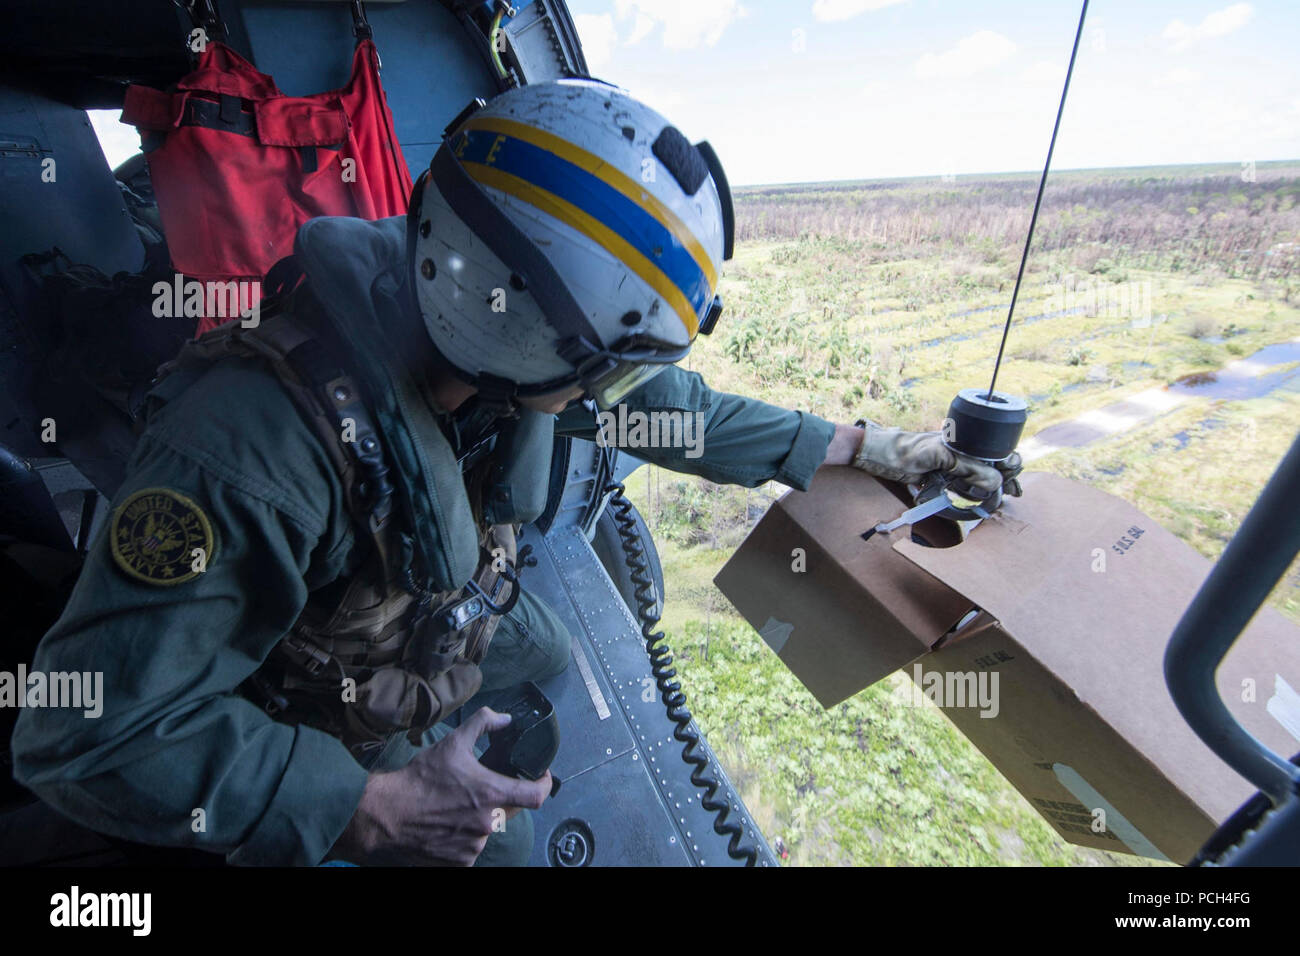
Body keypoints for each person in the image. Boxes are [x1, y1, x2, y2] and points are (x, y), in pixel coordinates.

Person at [11, 79, 1020, 867]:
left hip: (428, 605)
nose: (614, 392)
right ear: (508, 325)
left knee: (540, 656)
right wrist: (364, 805)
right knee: (505, 845)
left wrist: (864, 446)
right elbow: (80, 730)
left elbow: (669, 410)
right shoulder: (243, 454)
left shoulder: (484, 328)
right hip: (301, 680)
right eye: (603, 365)